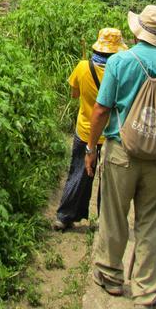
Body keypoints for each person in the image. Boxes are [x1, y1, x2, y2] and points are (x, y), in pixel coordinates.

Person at [84, 5, 156, 308]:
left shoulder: (120, 61)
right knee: (151, 224)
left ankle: (109, 276)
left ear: (137, 33)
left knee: (113, 215)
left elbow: (101, 109)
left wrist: (91, 149)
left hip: (121, 152)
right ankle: (146, 292)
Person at [53, 27, 128, 231]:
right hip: (113, 135)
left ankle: (65, 216)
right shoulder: (122, 72)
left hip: (85, 130)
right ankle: (106, 222)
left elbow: (74, 95)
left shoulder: (82, 67)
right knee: (110, 179)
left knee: (79, 172)